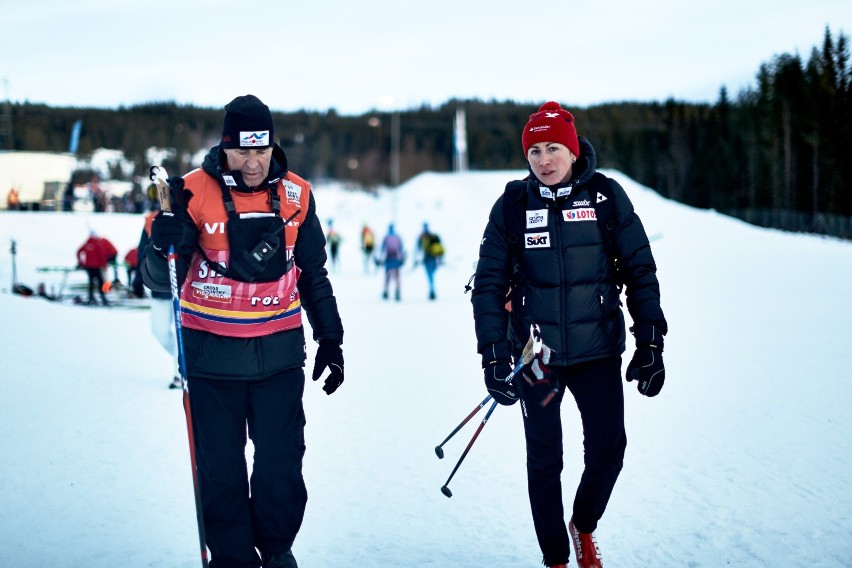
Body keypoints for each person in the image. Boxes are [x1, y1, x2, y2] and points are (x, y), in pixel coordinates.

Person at [141, 94, 345, 568]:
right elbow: (156, 279)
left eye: (262, 151)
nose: (253, 163)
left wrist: (331, 339)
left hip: (278, 359)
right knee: (221, 473)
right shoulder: (190, 192)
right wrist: (160, 243)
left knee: (281, 469)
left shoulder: (298, 194)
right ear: (225, 147)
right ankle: (232, 558)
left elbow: (314, 274)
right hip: (211, 361)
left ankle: (276, 551)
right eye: (242, 152)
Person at [470, 101, 667, 568]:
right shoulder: (513, 206)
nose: (543, 160)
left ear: (573, 150)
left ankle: (584, 523)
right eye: (534, 150)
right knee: (544, 461)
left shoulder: (606, 197)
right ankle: (556, 557)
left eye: (553, 147)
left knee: (609, 449)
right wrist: (494, 355)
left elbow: (640, 272)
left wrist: (651, 342)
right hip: (537, 358)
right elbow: (489, 284)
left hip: (597, 351)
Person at [133, 207, 182, 389]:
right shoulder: (151, 220)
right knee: (159, 331)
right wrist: (138, 280)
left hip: (182, 285)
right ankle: (187, 362)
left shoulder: (187, 215)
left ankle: (179, 373)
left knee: (179, 333)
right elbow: (142, 253)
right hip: (158, 285)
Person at [76, 231, 117, 306]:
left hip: (88, 267)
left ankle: (91, 298)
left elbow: (78, 251)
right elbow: (101, 256)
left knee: (91, 283)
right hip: (97, 267)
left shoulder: (86, 244)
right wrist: (104, 265)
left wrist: (80, 263)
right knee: (101, 283)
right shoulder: (97, 245)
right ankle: (103, 299)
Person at [415, 221, 444, 300]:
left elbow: (417, 249)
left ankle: (432, 291)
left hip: (428, 259)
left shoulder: (422, 237)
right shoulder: (432, 236)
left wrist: (416, 259)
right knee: (431, 275)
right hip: (432, 259)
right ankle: (432, 290)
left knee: (430, 275)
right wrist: (440, 258)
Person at [378, 222, 405, 301]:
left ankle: (386, 291)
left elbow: (382, 249)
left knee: (387, 276)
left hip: (388, 259)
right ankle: (397, 291)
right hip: (396, 259)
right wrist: (402, 258)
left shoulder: (386, 237)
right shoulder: (398, 237)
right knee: (397, 276)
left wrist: (380, 258)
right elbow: (401, 248)